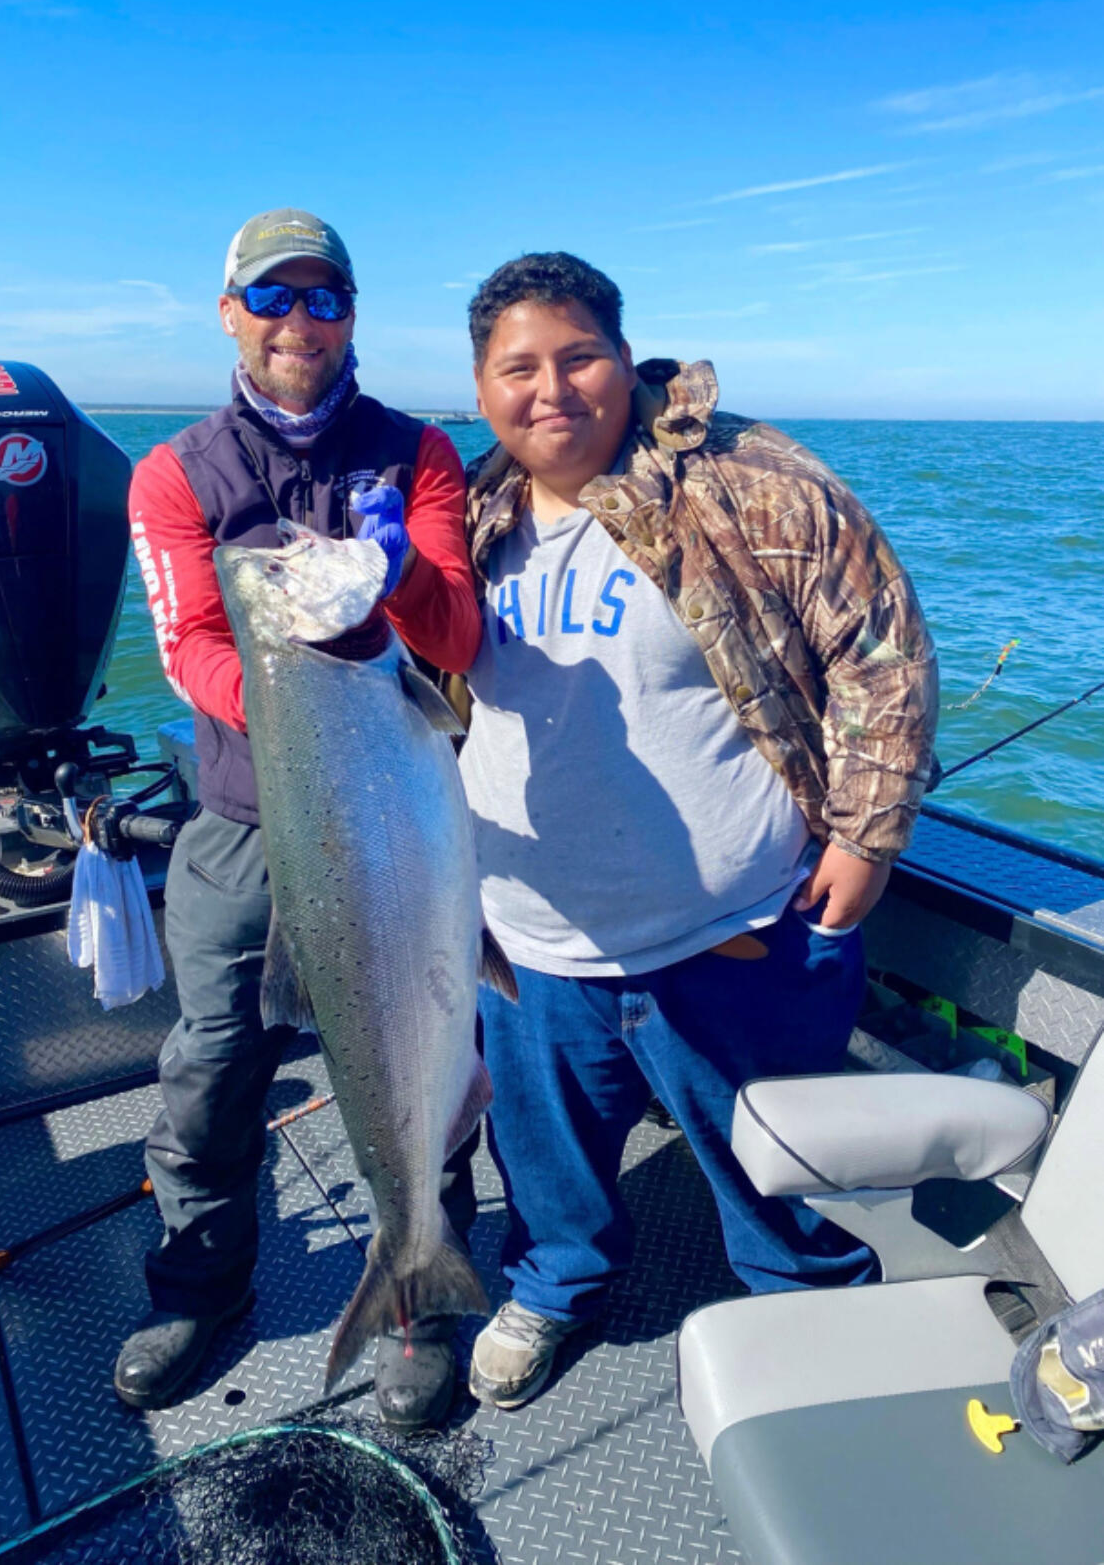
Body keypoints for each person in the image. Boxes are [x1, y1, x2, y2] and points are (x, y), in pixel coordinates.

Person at [457, 252, 939, 1410]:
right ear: (480, 388)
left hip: (736, 925)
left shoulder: (745, 480)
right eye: (517, 367)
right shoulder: (466, 512)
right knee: (542, 1161)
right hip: (528, 942)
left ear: (625, 361)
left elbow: (879, 652)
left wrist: (867, 838)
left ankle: (811, 1315)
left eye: (577, 356)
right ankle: (552, 1286)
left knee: (774, 1166)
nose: (551, 389)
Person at [119, 209, 482, 1430]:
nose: (298, 323)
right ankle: (203, 1286)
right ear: (228, 312)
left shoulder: (419, 451)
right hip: (241, 814)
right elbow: (188, 648)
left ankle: (424, 1288)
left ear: (351, 317)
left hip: (401, 809)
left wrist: (405, 585)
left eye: (324, 299)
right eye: (272, 298)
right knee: (216, 1060)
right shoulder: (173, 473)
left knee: (420, 1019)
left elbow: (457, 639)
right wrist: (297, 675)